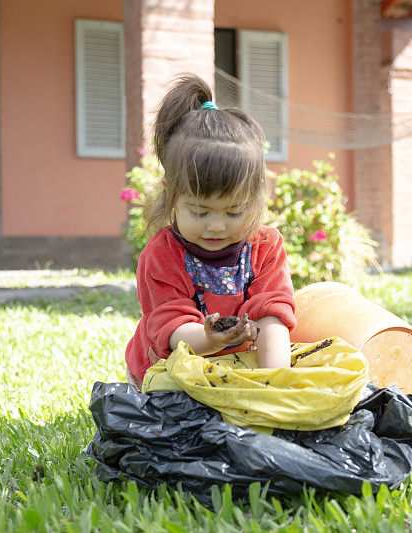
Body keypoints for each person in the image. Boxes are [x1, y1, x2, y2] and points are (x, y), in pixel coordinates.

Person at [124, 74, 296, 389]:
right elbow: (172, 328)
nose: (216, 226)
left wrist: (273, 387)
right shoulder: (161, 257)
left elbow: (272, 316)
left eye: (234, 212)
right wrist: (210, 338)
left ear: (256, 198)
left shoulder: (265, 247)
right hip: (165, 371)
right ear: (172, 193)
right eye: (200, 212)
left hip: (236, 369)